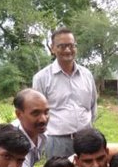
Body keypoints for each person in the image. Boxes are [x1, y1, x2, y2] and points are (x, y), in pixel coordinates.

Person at [33, 27, 97, 158]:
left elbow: (92, 105)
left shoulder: (87, 75)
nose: (67, 50)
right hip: (57, 141)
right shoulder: (41, 78)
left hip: (86, 140)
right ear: (52, 48)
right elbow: (37, 112)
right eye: (62, 46)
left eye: (71, 46)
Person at [12, 88, 49, 167]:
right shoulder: (13, 141)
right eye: (36, 113)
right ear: (19, 114)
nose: (43, 119)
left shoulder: (42, 134)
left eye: (46, 112)